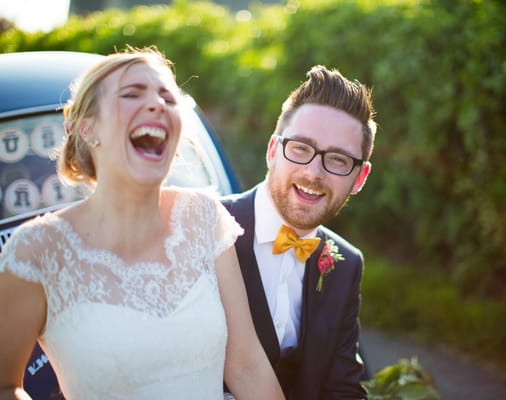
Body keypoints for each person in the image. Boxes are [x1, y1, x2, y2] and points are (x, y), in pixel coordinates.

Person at [0, 47, 284, 400]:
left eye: (168, 96)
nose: (157, 104)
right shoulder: (35, 251)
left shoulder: (204, 218)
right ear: (87, 129)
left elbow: (246, 364)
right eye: (132, 94)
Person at [221, 65, 377, 399]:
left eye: (337, 160)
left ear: (359, 178)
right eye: (301, 148)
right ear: (273, 151)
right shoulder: (206, 226)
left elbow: (341, 386)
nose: (313, 172)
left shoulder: (346, 264)